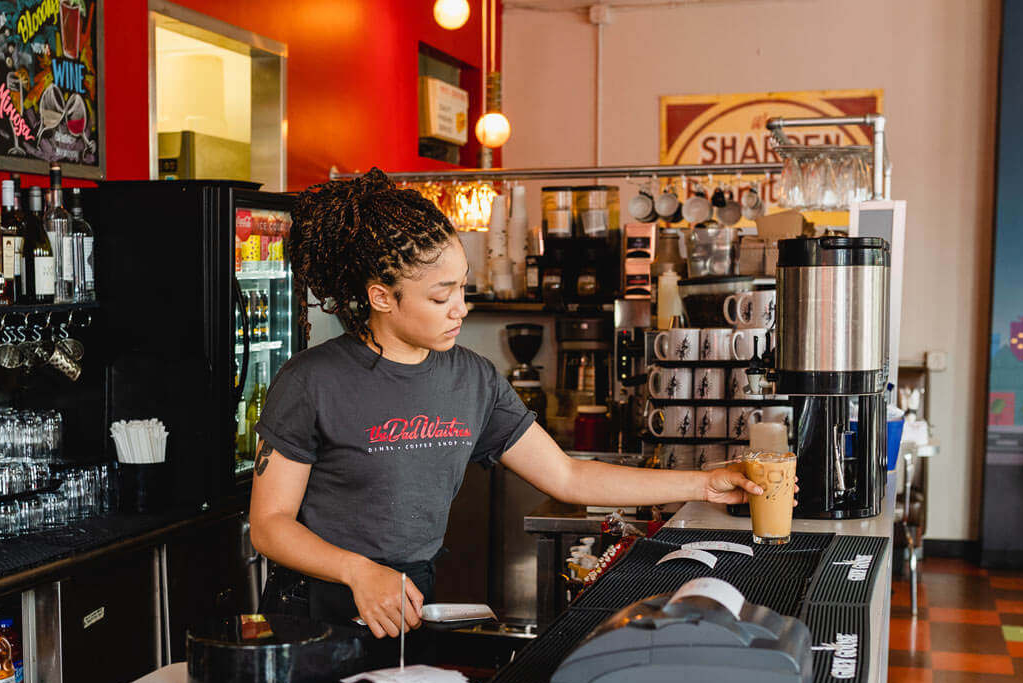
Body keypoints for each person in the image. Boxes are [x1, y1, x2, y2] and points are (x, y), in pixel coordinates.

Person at [249, 169, 765, 639]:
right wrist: (357, 570)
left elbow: (567, 477)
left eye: (462, 288)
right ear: (382, 296)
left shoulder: (471, 378)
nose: (460, 308)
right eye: (440, 297)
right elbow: (270, 523)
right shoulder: (312, 381)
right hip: (316, 600)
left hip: (410, 595)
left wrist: (704, 484)